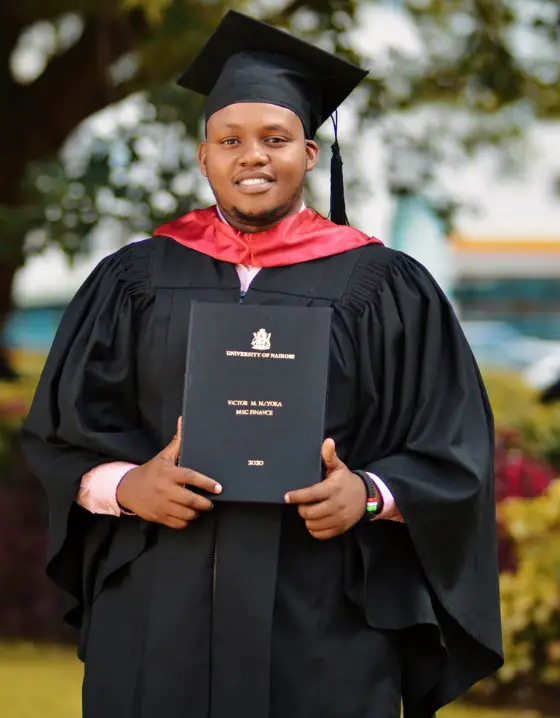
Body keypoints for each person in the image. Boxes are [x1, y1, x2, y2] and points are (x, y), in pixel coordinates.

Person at [22, 10, 503, 718]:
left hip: (324, 622)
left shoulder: (385, 286)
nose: (253, 156)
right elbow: (58, 434)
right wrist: (127, 486)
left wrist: (368, 494)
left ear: (309, 154)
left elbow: (453, 445)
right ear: (203, 156)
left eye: (275, 139)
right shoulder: (132, 280)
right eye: (231, 140)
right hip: (160, 614)